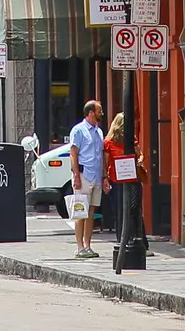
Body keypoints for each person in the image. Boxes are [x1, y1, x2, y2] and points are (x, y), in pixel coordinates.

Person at [67, 100, 105, 259]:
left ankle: (88, 245)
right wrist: (76, 176)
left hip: (96, 176)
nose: (101, 113)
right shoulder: (79, 131)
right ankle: (79, 247)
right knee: (80, 212)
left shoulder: (99, 131)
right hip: (83, 176)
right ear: (91, 112)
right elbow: (73, 154)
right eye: (99, 110)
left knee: (91, 212)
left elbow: (101, 155)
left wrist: (104, 177)